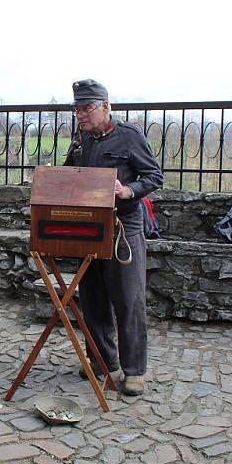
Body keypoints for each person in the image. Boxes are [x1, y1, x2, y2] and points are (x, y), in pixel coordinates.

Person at [64, 79, 163, 397]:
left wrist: (128, 190)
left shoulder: (129, 136)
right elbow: (70, 173)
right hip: (88, 228)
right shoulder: (80, 139)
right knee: (92, 298)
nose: (81, 114)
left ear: (106, 107)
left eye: (87, 108)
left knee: (128, 301)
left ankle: (134, 371)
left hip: (124, 228)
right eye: (77, 108)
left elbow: (153, 176)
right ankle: (101, 360)